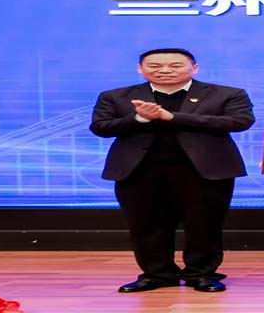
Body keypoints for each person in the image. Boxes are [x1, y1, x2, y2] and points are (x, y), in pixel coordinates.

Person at [89, 48, 254, 293]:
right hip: (139, 171)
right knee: (146, 225)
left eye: (175, 65)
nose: (165, 70)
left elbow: (239, 121)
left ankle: (201, 274)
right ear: (140, 69)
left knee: (204, 225)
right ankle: (157, 274)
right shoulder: (116, 96)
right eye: (155, 66)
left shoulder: (227, 94)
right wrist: (140, 119)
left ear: (194, 68)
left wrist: (172, 117)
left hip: (204, 170)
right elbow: (101, 127)